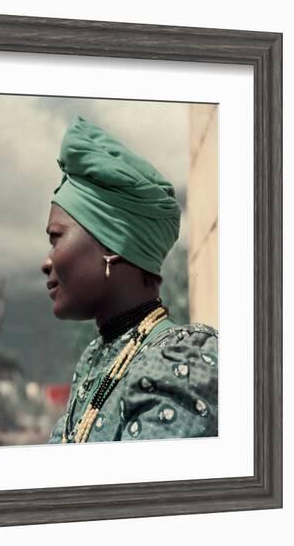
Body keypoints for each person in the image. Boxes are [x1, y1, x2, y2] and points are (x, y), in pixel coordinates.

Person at [41, 116, 218, 444]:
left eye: (56, 237)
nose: (46, 262)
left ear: (112, 245)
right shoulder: (99, 357)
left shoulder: (178, 368)